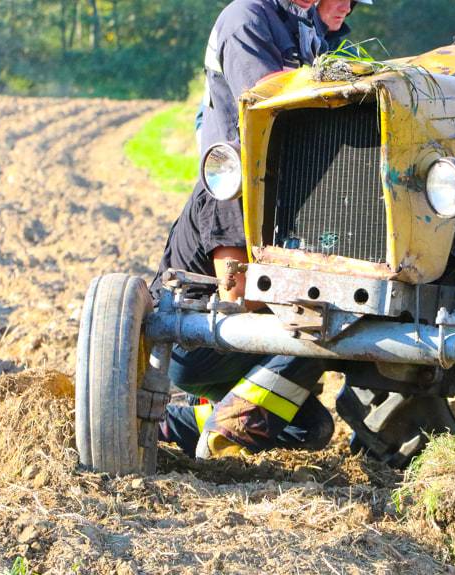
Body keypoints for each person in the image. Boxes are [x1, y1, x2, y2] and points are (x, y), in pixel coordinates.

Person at [155, 0, 345, 459]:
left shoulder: (304, 26)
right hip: (200, 342)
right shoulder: (233, 187)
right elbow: (237, 295)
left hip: (240, 338)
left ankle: (181, 423)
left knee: (313, 430)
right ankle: (220, 426)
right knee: (329, 323)